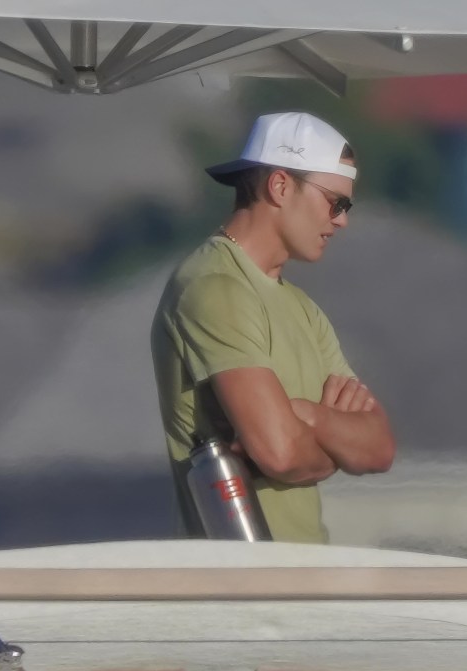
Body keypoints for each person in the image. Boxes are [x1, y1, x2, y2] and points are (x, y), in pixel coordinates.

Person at [151, 111, 395, 543]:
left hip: (303, 585)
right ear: (280, 186)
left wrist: (306, 415)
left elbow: (379, 448)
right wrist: (335, 445)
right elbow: (280, 454)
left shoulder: (303, 309)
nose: (342, 220)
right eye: (334, 202)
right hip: (241, 590)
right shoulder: (214, 288)